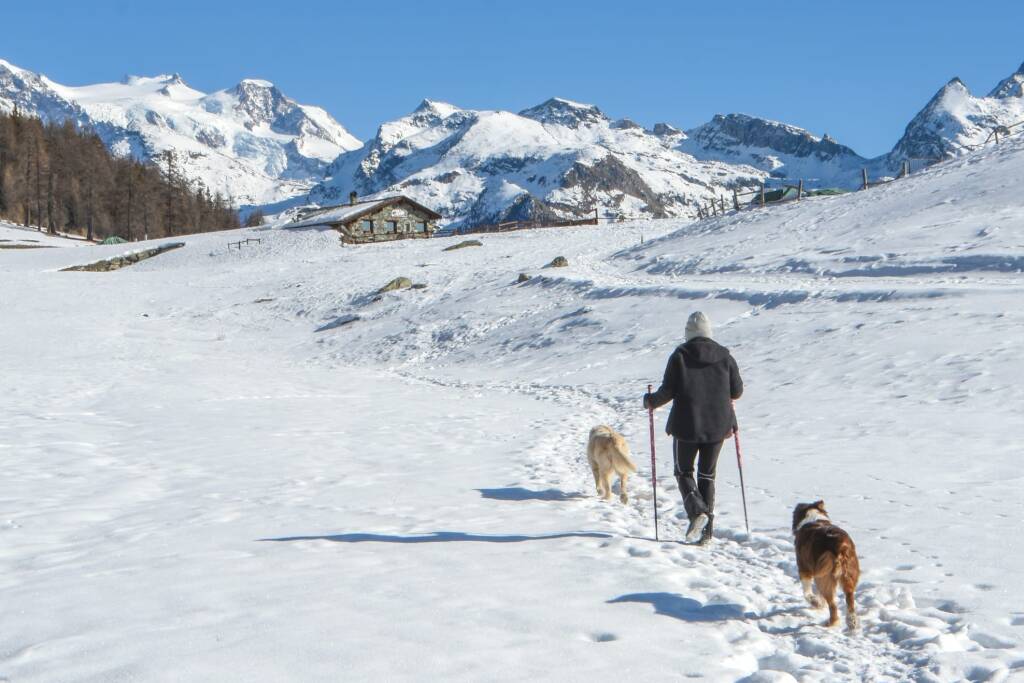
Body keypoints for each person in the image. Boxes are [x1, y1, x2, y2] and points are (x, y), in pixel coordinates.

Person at [643, 311, 743, 544]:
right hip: (718, 425)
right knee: (707, 476)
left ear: (688, 333)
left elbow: (667, 391)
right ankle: (706, 536)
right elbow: (736, 391)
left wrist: (650, 401)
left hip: (687, 424)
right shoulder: (725, 355)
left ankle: (697, 513)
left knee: (683, 471)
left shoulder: (680, 355)